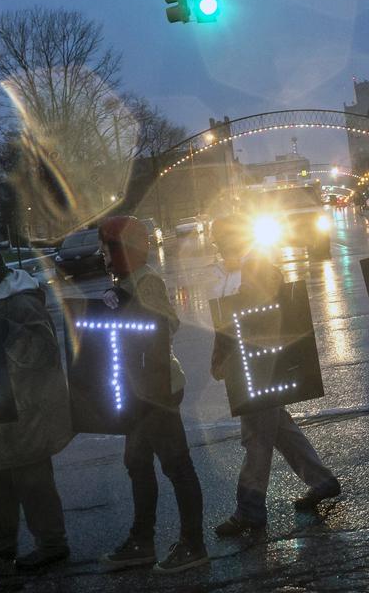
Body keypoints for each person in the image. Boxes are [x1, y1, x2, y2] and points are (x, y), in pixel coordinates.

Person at [208, 215, 340, 537]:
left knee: (257, 437)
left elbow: (256, 311)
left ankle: (249, 510)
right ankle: (322, 481)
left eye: (223, 240)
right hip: (251, 368)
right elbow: (226, 318)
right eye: (218, 241)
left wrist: (225, 353)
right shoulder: (235, 267)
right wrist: (220, 353)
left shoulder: (255, 265)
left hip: (261, 368)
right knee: (278, 429)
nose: (220, 246)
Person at [98, 215, 208, 574]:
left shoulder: (145, 282)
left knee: (177, 466)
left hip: (157, 392)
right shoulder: (127, 281)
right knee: (137, 463)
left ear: (126, 250)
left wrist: (127, 304)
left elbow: (163, 327)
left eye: (109, 248)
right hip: (137, 392)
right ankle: (142, 541)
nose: (104, 255)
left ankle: (194, 544)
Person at [0, 248, 73, 570]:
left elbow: (44, 351)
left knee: (32, 478)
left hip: (27, 407)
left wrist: (8, 331)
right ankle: (0, 542)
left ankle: (52, 544)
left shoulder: (20, 302)